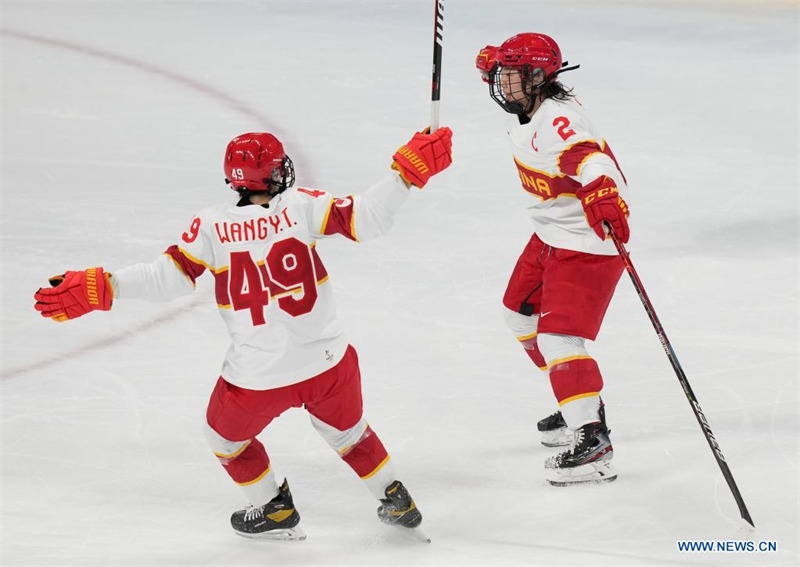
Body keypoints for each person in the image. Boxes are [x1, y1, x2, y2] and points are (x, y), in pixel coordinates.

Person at [33, 127, 453, 539]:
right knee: (349, 432)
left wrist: (107, 286)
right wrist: (404, 175)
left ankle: (275, 508)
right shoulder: (300, 206)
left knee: (223, 437)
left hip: (258, 377)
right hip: (329, 364)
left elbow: (167, 279)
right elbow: (368, 218)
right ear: (274, 173)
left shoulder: (212, 226)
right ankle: (394, 495)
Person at [475, 33, 630, 486]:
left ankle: (592, 442)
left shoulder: (559, 120)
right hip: (550, 234)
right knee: (517, 315)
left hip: (587, 239)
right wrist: (492, 63)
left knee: (560, 338)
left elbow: (590, 159)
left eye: (511, 76)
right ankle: (576, 403)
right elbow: (504, 74)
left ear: (539, 78)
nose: (502, 84)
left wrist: (602, 192)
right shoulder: (532, 104)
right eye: (500, 75)